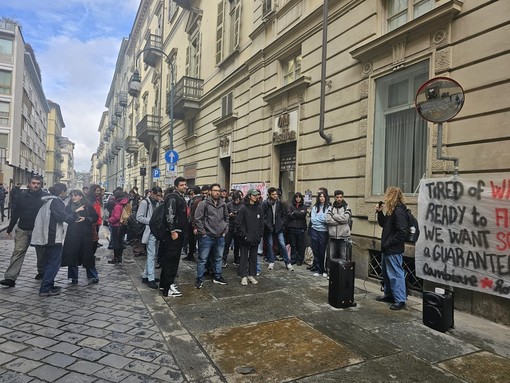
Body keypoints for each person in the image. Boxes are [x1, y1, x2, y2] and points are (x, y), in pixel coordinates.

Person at [31, 183, 82, 296]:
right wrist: (74, 215)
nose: (66, 194)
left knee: (48, 262)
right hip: (52, 237)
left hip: (46, 236)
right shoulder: (56, 201)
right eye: (65, 191)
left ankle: (49, 285)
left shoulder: (47, 201)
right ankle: (45, 288)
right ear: (62, 192)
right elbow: (61, 216)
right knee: (54, 263)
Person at [0, 176, 47, 287]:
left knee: (42, 253)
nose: (36, 185)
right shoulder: (22, 196)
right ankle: (10, 278)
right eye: (34, 183)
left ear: (41, 185)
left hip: (39, 230)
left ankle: (42, 272)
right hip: (23, 228)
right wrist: (10, 228)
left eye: (38, 183)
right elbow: (16, 213)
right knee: (18, 252)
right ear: (29, 184)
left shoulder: (45, 197)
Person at [376, 186, 408, 311]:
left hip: (393, 249)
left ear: (391, 196)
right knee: (387, 273)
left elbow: (402, 232)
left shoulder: (399, 211)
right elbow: (384, 224)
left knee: (395, 274)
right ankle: (389, 295)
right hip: (387, 249)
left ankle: (400, 299)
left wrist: (388, 243)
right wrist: (379, 212)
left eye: (387, 195)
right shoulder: (391, 210)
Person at [194, 183, 229, 288]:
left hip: (220, 236)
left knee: (218, 258)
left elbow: (226, 218)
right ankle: (199, 279)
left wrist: (225, 230)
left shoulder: (223, 204)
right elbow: (197, 218)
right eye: (215, 190)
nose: (217, 192)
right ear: (210, 192)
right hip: (207, 237)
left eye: (218, 190)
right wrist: (203, 232)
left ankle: (217, 276)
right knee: (202, 259)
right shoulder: (203, 203)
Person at [61, 190, 99, 285]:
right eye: (72, 196)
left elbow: (95, 217)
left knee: (87, 255)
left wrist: (86, 219)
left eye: (76, 195)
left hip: (85, 234)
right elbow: (66, 218)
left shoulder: (88, 206)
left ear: (81, 196)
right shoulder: (68, 207)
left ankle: (93, 276)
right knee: (72, 255)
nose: (73, 197)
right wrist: (75, 212)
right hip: (72, 234)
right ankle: (73, 277)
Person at [159, 177, 188, 297]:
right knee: (171, 260)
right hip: (174, 234)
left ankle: (164, 284)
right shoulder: (173, 198)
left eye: (185, 184)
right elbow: (169, 215)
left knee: (170, 259)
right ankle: (168, 287)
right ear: (176, 186)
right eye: (182, 185)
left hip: (178, 232)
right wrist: (172, 231)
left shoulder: (179, 197)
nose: (185, 186)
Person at [235, 189, 264, 286]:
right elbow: (239, 223)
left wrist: (259, 235)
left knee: (253, 256)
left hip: (255, 237)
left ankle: (252, 274)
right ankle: (243, 275)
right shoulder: (243, 208)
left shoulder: (259, 208)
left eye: (257, 195)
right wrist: (245, 235)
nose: (256, 197)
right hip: (246, 237)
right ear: (249, 196)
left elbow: (261, 223)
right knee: (243, 256)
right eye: (254, 195)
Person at [262, 187, 293, 271]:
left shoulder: (280, 203)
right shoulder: (265, 203)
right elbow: (262, 215)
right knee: (270, 244)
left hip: (278, 227)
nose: (275, 196)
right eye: (273, 194)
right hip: (269, 227)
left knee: (282, 244)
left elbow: (284, 215)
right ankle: (271, 261)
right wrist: (267, 224)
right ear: (269, 195)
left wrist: (282, 223)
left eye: (276, 194)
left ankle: (288, 262)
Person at [137, 186, 162, 289]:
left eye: (160, 196)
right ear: (152, 193)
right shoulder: (144, 203)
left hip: (156, 231)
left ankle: (145, 276)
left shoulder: (158, 202)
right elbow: (139, 217)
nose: (159, 198)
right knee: (151, 255)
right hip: (149, 231)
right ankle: (150, 278)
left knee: (153, 254)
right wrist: (151, 222)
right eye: (157, 195)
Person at [326, 190, 352, 263]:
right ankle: (331, 273)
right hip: (333, 237)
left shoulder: (346, 207)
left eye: (341, 197)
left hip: (343, 237)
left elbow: (346, 219)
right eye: (337, 197)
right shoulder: (330, 208)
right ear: (334, 197)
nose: (339, 199)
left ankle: (342, 274)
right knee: (331, 257)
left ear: (343, 197)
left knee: (343, 258)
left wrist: (334, 215)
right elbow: (328, 220)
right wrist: (340, 221)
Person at [309, 190, 330, 277]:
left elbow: (326, 219)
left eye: (323, 196)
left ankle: (323, 269)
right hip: (314, 230)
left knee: (322, 251)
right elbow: (312, 220)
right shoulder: (315, 207)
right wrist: (320, 219)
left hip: (323, 231)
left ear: (325, 198)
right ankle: (318, 269)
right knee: (315, 250)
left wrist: (319, 219)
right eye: (320, 196)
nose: (322, 198)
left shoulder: (328, 207)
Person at [107, 190, 129, 264]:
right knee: (120, 242)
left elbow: (116, 217)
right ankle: (119, 258)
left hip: (117, 226)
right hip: (123, 225)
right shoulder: (125, 204)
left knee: (116, 242)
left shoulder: (118, 206)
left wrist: (109, 220)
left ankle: (116, 258)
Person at [287, 192, 308, 266]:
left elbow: (303, 214)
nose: (298, 199)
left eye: (299, 197)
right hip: (292, 228)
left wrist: (294, 212)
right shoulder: (291, 206)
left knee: (300, 245)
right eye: (296, 197)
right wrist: (298, 213)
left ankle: (300, 260)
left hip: (301, 228)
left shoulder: (304, 206)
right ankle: (293, 259)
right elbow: (289, 215)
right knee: (293, 245)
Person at [222, 191, 242, 267]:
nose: (236, 201)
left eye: (238, 200)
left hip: (238, 227)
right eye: (235, 200)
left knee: (237, 245)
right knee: (226, 244)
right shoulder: (229, 204)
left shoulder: (242, 205)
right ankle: (223, 259)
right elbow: (224, 215)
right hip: (230, 226)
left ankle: (236, 259)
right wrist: (229, 215)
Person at [183, 185, 201, 262]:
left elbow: (191, 212)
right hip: (195, 222)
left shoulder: (194, 200)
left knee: (192, 239)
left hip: (192, 222)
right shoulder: (198, 199)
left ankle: (191, 254)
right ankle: (191, 253)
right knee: (193, 239)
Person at [86, 184, 103, 256]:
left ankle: (91, 254)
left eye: (99, 191)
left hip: (97, 222)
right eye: (97, 191)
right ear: (93, 191)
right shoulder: (90, 200)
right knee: (92, 240)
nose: (99, 192)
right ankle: (89, 254)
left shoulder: (97, 199)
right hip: (93, 222)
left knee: (95, 239)